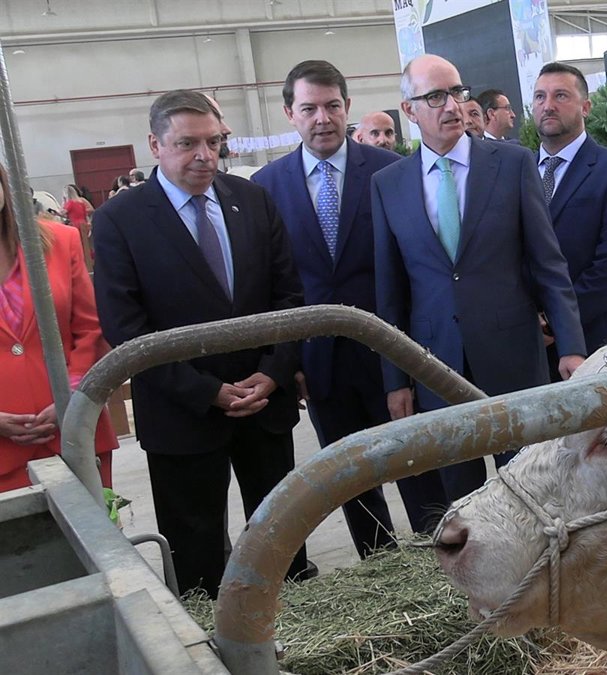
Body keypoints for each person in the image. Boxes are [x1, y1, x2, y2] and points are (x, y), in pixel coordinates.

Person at [92, 90, 313, 597]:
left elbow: (289, 297)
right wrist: (205, 391)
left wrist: (274, 372)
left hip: (264, 404)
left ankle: (296, 620)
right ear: (155, 145)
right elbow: (126, 328)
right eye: (187, 143)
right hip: (181, 413)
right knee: (196, 554)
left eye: (214, 142)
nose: (205, 155)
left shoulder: (251, 200)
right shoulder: (120, 220)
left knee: (282, 537)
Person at [372, 55, 586, 510]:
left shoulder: (512, 164)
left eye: (457, 92)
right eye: (435, 97)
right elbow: (391, 292)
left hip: (513, 359)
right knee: (462, 503)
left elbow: (548, 263)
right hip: (435, 365)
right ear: (409, 110)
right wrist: (396, 380)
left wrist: (571, 346)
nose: (452, 106)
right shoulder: (388, 184)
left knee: (534, 489)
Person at [251, 60, 407, 548]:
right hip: (319, 362)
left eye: (332, 106)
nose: (322, 118)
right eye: (309, 108)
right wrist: (287, 361)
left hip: (394, 352)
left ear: (347, 107)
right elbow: (271, 285)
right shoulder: (265, 188)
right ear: (289, 114)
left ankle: (438, 556)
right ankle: (380, 564)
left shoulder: (390, 171)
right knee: (348, 478)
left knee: (417, 464)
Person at [0, 163, 118, 492]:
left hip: (73, 433)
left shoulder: (60, 241)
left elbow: (90, 328)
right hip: (3, 453)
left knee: (91, 524)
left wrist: (73, 396)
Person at [532, 62, 607, 357]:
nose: (548, 106)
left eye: (561, 96)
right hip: (527, 341)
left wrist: (555, 322)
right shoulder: (516, 172)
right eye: (540, 96)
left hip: (593, 340)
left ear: (586, 107)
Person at [61, 184, 95, 268]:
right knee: (86, 244)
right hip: (83, 223)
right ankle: (91, 260)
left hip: (74, 224)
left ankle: (80, 262)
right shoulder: (81, 202)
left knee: (77, 244)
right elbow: (85, 214)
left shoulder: (70, 203)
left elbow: (63, 213)